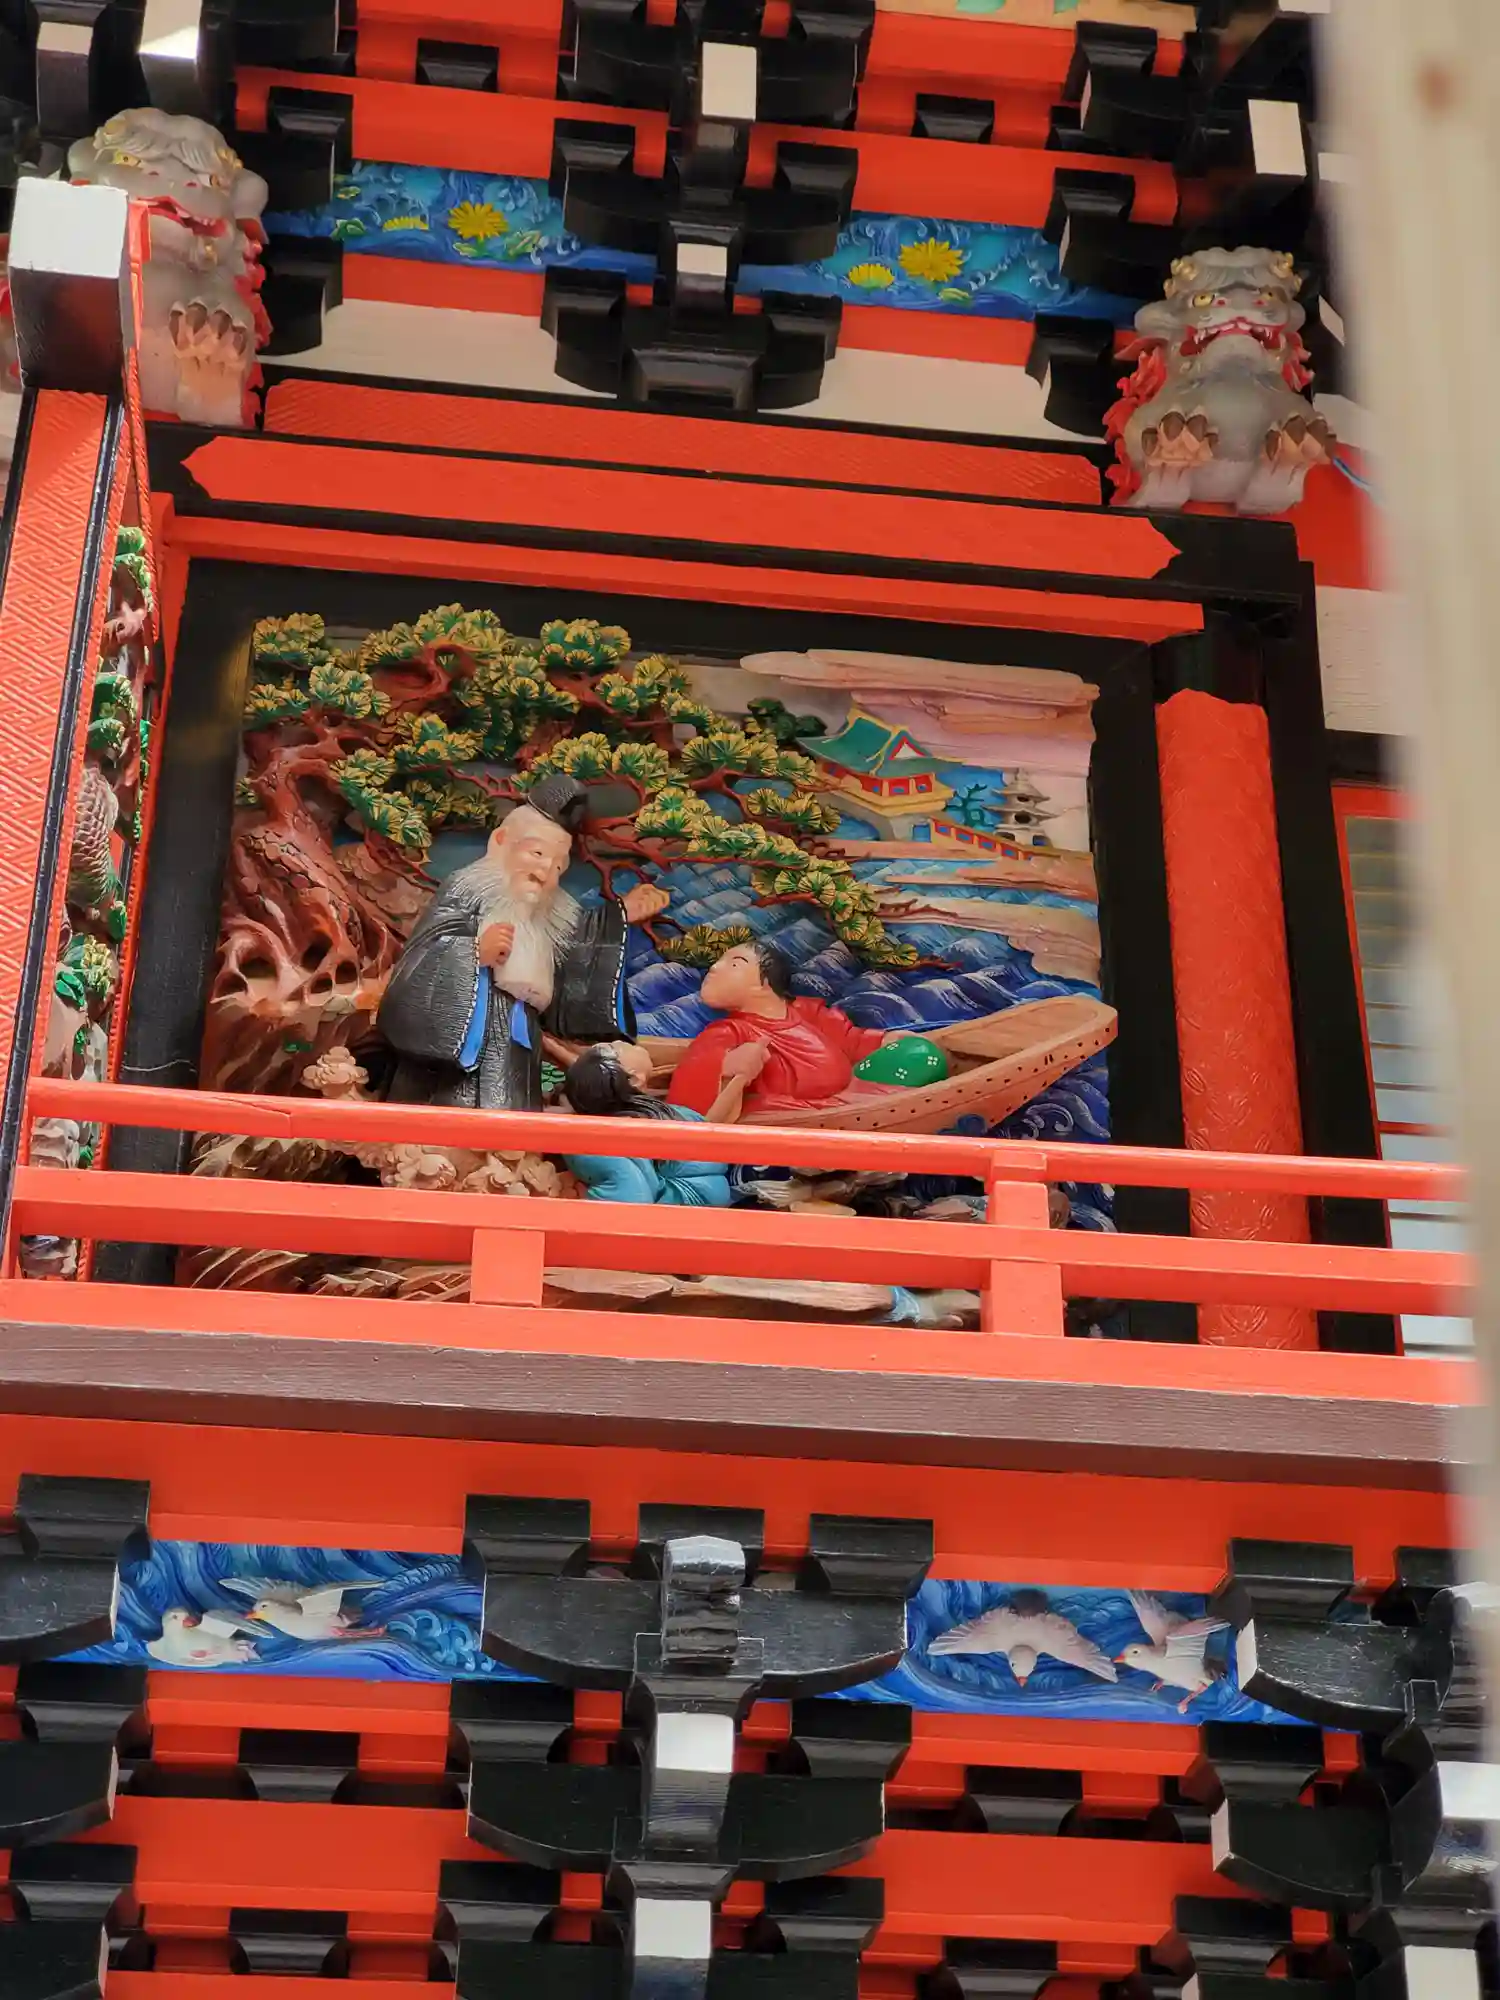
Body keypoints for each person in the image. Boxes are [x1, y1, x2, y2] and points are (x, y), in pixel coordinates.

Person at [376, 773, 669, 1113]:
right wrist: (473, 953)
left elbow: (573, 960)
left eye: (558, 866)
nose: (544, 872)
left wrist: (619, 917)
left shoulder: (544, 914)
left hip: (518, 1044)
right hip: (454, 1061)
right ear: (500, 842)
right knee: (458, 1118)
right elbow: (419, 961)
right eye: (537, 853)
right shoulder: (467, 890)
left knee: (513, 1111)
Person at [666, 940, 900, 1118]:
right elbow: (688, 1105)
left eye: (734, 964)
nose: (715, 967)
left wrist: (885, 1041)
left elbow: (852, 1040)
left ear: (764, 984)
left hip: (852, 1099)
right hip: (797, 1116)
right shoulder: (729, 1033)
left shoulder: (808, 1012)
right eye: (719, 961)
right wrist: (725, 1069)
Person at [561, 1040, 758, 1205]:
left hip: (709, 1190)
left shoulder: (651, 1112)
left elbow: (708, 1127)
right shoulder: (620, 1133)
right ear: (634, 1079)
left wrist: (739, 1079)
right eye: (616, 1047)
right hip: (682, 1211)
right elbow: (633, 1195)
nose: (621, 1041)